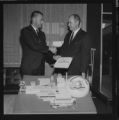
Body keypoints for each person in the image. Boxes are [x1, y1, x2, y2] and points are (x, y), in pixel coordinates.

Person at [20, 11, 56, 77]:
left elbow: (43, 50)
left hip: (40, 69)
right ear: (33, 19)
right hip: (29, 68)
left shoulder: (42, 34)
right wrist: (49, 48)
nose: (42, 22)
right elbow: (34, 46)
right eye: (41, 20)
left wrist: (53, 59)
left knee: (40, 87)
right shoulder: (25, 31)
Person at [54, 14, 91, 78]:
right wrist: (58, 55)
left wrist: (83, 71)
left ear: (77, 22)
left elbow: (85, 55)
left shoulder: (84, 35)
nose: (68, 25)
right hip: (64, 68)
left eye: (70, 22)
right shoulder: (68, 35)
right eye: (68, 23)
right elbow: (63, 48)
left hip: (76, 70)